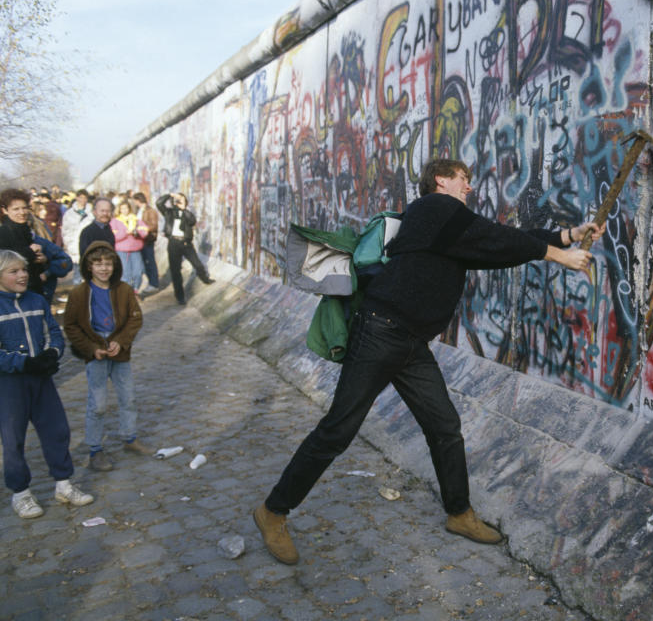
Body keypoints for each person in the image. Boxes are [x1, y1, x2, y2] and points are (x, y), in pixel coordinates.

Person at [253, 158, 604, 565]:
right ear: (441, 180)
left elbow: (496, 245)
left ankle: (459, 513)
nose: (469, 187)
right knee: (338, 429)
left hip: (409, 343)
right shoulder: (434, 208)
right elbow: (492, 237)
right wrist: (557, 256)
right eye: (463, 179)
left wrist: (565, 235)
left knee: (444, 426)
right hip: (380, 334)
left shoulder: (448, 229)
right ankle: (273, 512)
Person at [0, 249, 94, 518]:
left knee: (56, 429)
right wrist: (23, 363)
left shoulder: (36, 300)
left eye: (24, 270)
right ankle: (21, 493)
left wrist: (53, 353)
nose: (22, 275)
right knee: (13, 438)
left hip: (41, 380)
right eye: (13, 271)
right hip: (10, 385)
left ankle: (63, 484)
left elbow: (53, 331)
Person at [63, 241, 148, 471]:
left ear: (115, 265)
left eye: (108, 263)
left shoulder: (123, 290)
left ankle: (130, 437)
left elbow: (135, 318)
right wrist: (91, 349)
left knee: (128, 396)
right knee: (97, 404)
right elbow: (70, 326)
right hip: (96, 351)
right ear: (89, 267)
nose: (104, 268)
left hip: (119, 351)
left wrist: (121, 342)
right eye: (98, 264)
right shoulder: (80, 294)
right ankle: (95, 450)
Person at [157, 192, 213, 304]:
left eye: (181, 200)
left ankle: (205, 278)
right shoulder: (169, 212)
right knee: (175, 271)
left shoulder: (187, 214)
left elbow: (192, 221)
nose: (178, 202)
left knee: (197, 263)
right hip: (173, 243)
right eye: (177, 201)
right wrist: (170, 195)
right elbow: (159, 203)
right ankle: (180, 297)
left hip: (186, 243)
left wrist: (183, 209)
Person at [111, 200, 147, 294]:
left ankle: (135, 289)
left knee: (138, 272)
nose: (125, 210)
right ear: (119, 209)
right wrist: (125, 233)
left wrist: (136, 232)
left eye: (126, 208)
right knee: (125, 273)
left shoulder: (136, 220)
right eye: (122, 208)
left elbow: (144, 232)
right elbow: (113, 237)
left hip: (135, 249)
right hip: (122, 250)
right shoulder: (115, 221)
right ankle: (126, 292)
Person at [62, 190, 93, 284]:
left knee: (89, 270)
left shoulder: (92, 213)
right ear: (77, 198)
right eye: (81, 197)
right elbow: (65, 230)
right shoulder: (69, 213)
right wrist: (68, 243)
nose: (83, 200)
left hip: (88, 244)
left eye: (85, 198)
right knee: (77, 271)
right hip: (74, 245)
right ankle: (78, 292)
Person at [132, 192, 160, 291]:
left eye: (135, 201)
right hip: (140, 239)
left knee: (150, 261)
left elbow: (153, 225)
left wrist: (141, 228)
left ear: (138, 200)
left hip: (148, 239)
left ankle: (154, 283)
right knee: (143, 262)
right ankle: (150, 281)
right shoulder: (138, 210)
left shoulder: (150, 211)